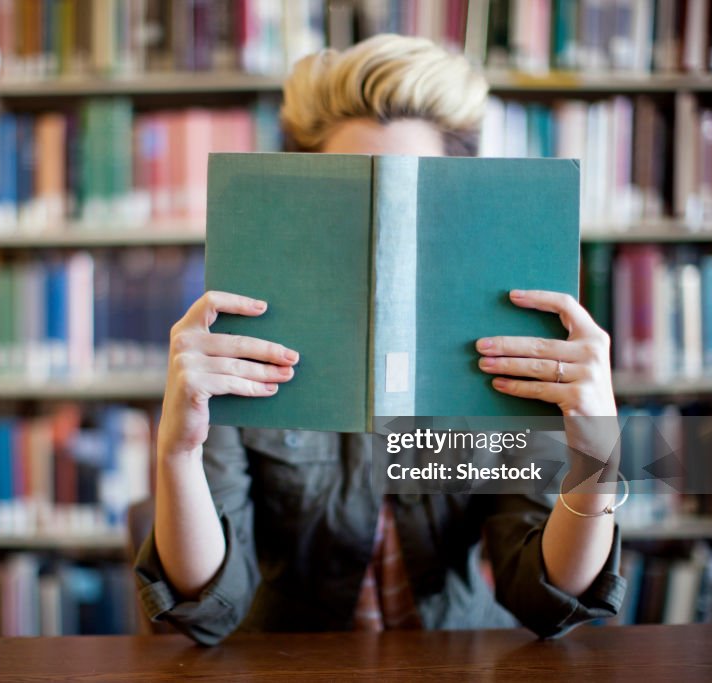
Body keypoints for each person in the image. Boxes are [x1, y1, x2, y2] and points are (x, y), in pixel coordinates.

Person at [134, 34, 625, 645]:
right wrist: (176, 455)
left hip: (458, 658)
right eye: (357, 200)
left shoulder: (509, 346)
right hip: (289, 663)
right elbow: (210, 602)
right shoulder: (246, 343)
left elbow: (544, 594)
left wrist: (597, 454)